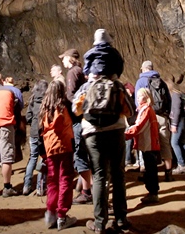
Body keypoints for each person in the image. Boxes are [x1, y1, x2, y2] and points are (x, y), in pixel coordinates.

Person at [77, 28, 131, 233]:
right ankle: (121, 220)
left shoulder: (86, 87)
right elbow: (129, 110)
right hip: (116, 130)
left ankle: (99, 223)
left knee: (99, 175)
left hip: (92, 132)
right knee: (118, 174)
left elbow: (76, 109)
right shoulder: (117, 85)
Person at [39, 80, 78, 230]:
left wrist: (42, 152)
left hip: (50, 150)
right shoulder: (64, 107)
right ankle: (62, 216)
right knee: (65, 180)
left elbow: (39, 132)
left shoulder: (44, 109)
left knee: (52, 181)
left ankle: (51, 213)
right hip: (64, 147)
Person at [58, 48, 92, 205]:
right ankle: (86, 188)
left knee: (80, 155)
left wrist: (62, 100)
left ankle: (87, 191)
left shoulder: (72, 72)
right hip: (85, 118)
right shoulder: (82, 71)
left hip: (78, 119)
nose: (62, 61)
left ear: (70, 59)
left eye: (64, 58)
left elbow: (72, 96)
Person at [135, 60, 174, 182]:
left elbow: (138, 101)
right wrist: (166, 114)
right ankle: (169, 173)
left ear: (144, 69)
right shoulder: (161, 81)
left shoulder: (141, 81)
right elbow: (168, 99)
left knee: (146, 144)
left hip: (148, 115)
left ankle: (147, 173)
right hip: (162, 116)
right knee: (165, 143)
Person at [126, 88, 161, 204]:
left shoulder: (146, 110)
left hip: (148, 143)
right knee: (150, 168)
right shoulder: (145, 109)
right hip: (148, 143)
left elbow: (139, 126)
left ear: (146, 97)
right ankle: (152, 192)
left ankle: (153, 193)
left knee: (151, 169)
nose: (138, 98)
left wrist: (124, 135)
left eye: (140, 96)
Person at [23, 79, 49, 196]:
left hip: (33, 132)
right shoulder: (47, 101)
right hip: (43, 133)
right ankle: (40, 187)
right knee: (43, 159)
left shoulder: (33, 99)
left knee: (32, 158)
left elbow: (28, 116)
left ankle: (26, 186)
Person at [3, 76, 25, 164]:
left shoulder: (1, 90)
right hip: (15, 117)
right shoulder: (17, 91)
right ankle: (13, 156)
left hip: (3, 117)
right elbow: (21, 105)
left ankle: (3, 159)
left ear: (5, 81)